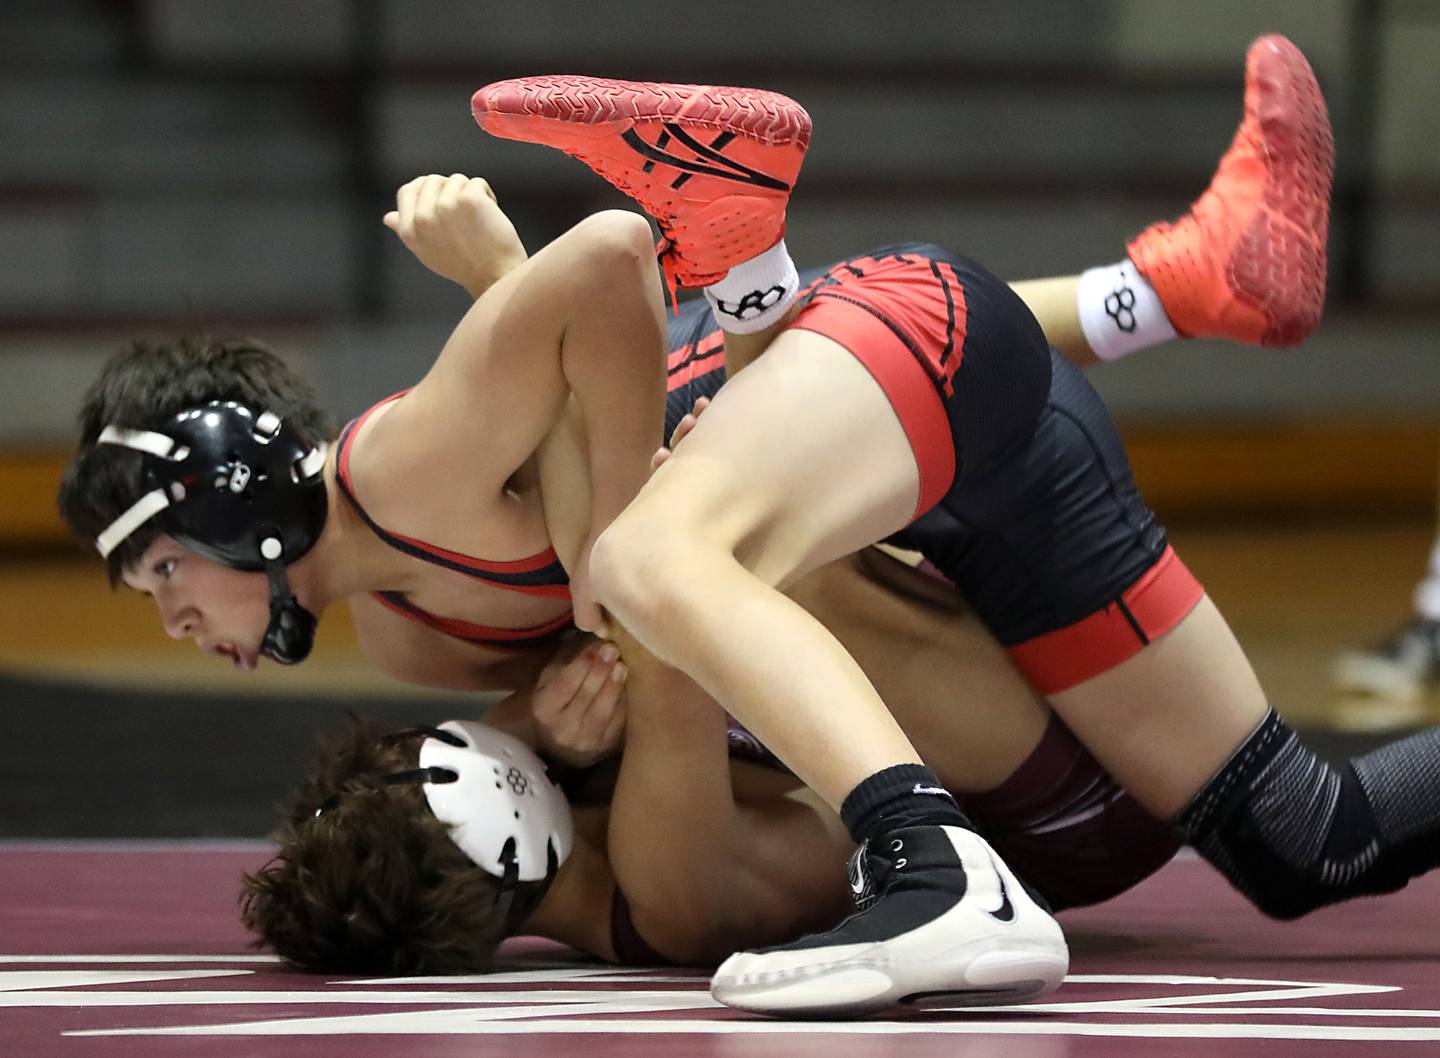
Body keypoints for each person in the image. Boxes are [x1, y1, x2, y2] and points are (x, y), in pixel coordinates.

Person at [59, 35, 1377, 1019]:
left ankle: (826, 277)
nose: (177, 620)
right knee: (1296, 836)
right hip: (924, 472)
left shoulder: (409, 467)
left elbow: (607, 270)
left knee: (676, 543)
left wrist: (511, 307)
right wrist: (579, 654)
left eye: (165, 574)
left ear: (231, 497)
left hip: (904, 452)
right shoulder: (418, 652)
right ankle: (1154, 290)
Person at [457, 35, 1386, 1018]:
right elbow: (656, 597)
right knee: (669, 547)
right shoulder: (662, 887)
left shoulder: (589, 802)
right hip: (1024, 682)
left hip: (954, 446)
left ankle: (1157, 288)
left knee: (686, 518)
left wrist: (516, 304)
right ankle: (1136, 290)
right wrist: (506, 286)